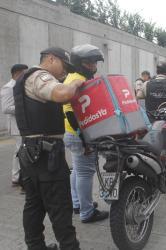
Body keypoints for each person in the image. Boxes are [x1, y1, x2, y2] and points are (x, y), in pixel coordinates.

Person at [14, 47, 82, 250]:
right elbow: (62, 94)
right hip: (47, 157)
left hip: (29, 153)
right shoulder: (40, 76)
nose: (67, 72)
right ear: (51, 59)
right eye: (65, 66)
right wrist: (77, 82)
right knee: (60, 206)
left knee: (34, 205)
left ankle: (36, 246)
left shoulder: (24, 78)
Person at [63, 44, 109, 223]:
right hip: (79, 134)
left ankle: (77, 203)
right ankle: (87, 212)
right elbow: (70, 111)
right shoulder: (79, 80)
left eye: (94, 62)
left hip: (73, 133)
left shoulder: (73, 77)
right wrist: (85, 138)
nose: (93, 66)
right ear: (79, 63)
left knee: (77, 170)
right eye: (89, 63)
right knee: (85, 173)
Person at [1, 64, 28, 187]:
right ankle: (16, 177)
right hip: (16, 124)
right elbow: (6, 108)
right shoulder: (8, 87)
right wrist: (24, 107)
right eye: (23, 73)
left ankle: (18, 176)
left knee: (20, 150)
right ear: (17, 74)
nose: (25, 76)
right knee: (19, 150)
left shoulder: (19, 85)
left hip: (22, 123)